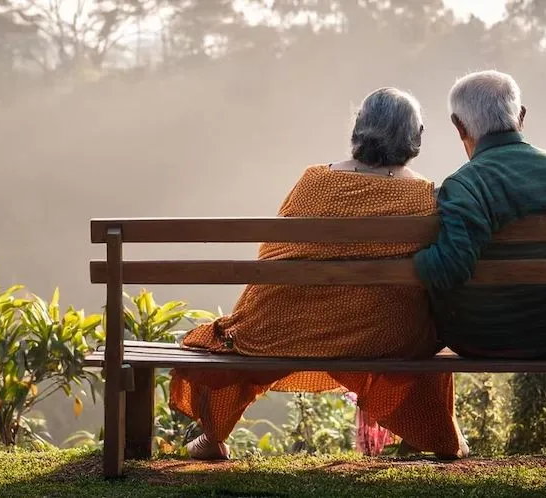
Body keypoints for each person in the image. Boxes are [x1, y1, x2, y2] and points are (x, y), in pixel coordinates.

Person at [170, 87, 467, 460]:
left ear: (359, 128)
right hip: (384, 336)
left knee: (231, 337)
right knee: (424, 328)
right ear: (414, 136)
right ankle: (432, 433)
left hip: (286, 328)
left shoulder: (313, 180)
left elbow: (275, 252)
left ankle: (212, 439)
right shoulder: (423, 195)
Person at [414, 70, 546, 359]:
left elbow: (448, 270)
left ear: (459, 126)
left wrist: (415, 257)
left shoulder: (464, 185)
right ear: (521, 116)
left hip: (483, 340)